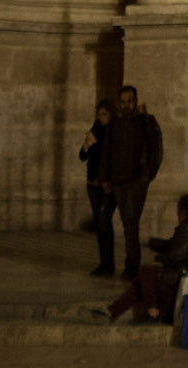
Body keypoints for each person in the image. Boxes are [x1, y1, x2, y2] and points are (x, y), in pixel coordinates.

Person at [98, 192, 188, 326]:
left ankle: (152, 311)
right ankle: (112, 312)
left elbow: (175, 255)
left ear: (183, 211)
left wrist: (160, 258)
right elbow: (174, 245)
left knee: (145, 272)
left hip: (184, 278)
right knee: (141, 283)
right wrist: (153, 243)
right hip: (185, 275)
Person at [102, 84, 163, 279]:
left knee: (130, 220)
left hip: (137, 179)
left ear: (135, 101)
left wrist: (148, 175)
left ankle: (132, 264)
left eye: (129, 101)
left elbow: (156, 149)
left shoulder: (145, 121)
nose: (126, 105)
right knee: (127, 221)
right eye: (123, 102)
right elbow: (107, 150)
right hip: (119, 179)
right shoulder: (115, 124)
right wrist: (105, 177)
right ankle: (131, 263)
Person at [80, 99, 116, 276]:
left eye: (104, 114)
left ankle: (108, 262)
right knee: (101, 224)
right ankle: (105, 262)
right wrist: (87, 145)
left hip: (107, 185)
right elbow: (82, 156)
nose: (101, 117)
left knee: (103, 221)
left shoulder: (114, 131)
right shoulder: (95, 129)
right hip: (92, 183)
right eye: (99, 114)